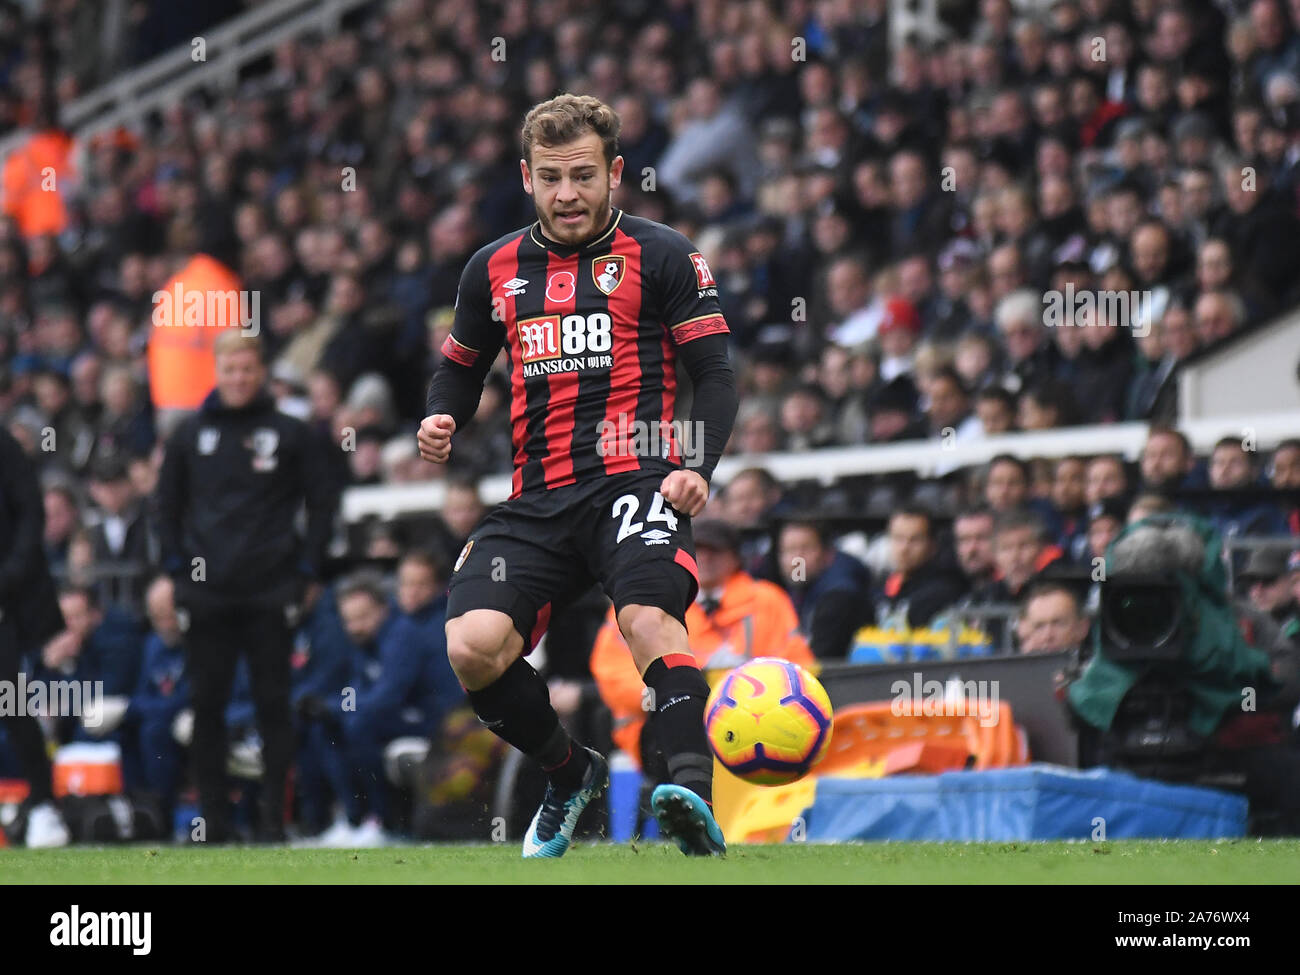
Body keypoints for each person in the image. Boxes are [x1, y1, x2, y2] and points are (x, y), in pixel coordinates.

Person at [418, 94, 738, 857]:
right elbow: (459, 370)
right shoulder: (490, 268)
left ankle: (692, 794)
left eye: (585, 175)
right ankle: (570, 773)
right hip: (538, 497)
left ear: (616, 173)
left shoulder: (663, 254)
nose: (569, 193)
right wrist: (441, 417)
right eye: (552, 177)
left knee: (647, 620)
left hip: (637, 481)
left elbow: (716, 375)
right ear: (527, 178)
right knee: (473, 644)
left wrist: (696, 468)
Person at [156, 329, 339, 843]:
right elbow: (165, 508)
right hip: (206, 593)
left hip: (270, 591)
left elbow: (323, 502)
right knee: (207, 708)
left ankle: (272, 824)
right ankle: (214, 826)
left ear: (261, 373)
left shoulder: (291, 432)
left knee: (273, 708)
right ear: (216, 371)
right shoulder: (188, 435)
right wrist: (176, 571)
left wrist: (307, 572)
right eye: (230, 369)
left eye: (247, 369)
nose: (238, 378)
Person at [589, 519, 812, 771]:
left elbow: (798, 668)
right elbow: (612, 675)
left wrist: (732, 697)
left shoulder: (768, 600)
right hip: (660, 726)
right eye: (697, 549)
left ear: (735, 557)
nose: (704, 558)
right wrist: (678, 693)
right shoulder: (646, 598)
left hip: (755, 723)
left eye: (714, 550)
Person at [0, 426, 69, 847]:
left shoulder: (5, 448)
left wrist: (8, 578)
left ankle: (45, 804)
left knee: (12, 702)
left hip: (3, 600)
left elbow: (30, 515)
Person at [776, 518, 873, 658]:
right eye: (789, 550)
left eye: (805, 548)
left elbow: (816, 662)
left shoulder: (839, 596)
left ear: (827, 553)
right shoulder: (800, 588)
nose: (797, 560)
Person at [874, 505, 968, 629]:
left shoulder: (944, 590)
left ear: (932, 545)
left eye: (915, 540)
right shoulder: (882, 585)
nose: (904, 548)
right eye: (898, 538)